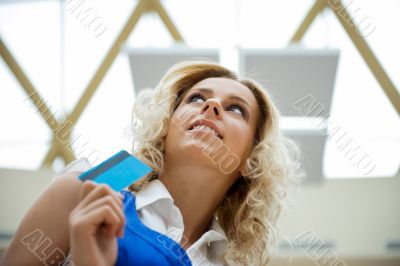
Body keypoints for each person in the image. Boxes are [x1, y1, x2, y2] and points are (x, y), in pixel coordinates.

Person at [1, 61, 301, 266]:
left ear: (252, 160)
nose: (212, 106)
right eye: (196, 99)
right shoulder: (87, 190)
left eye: (236, 108)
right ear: (166, 127)